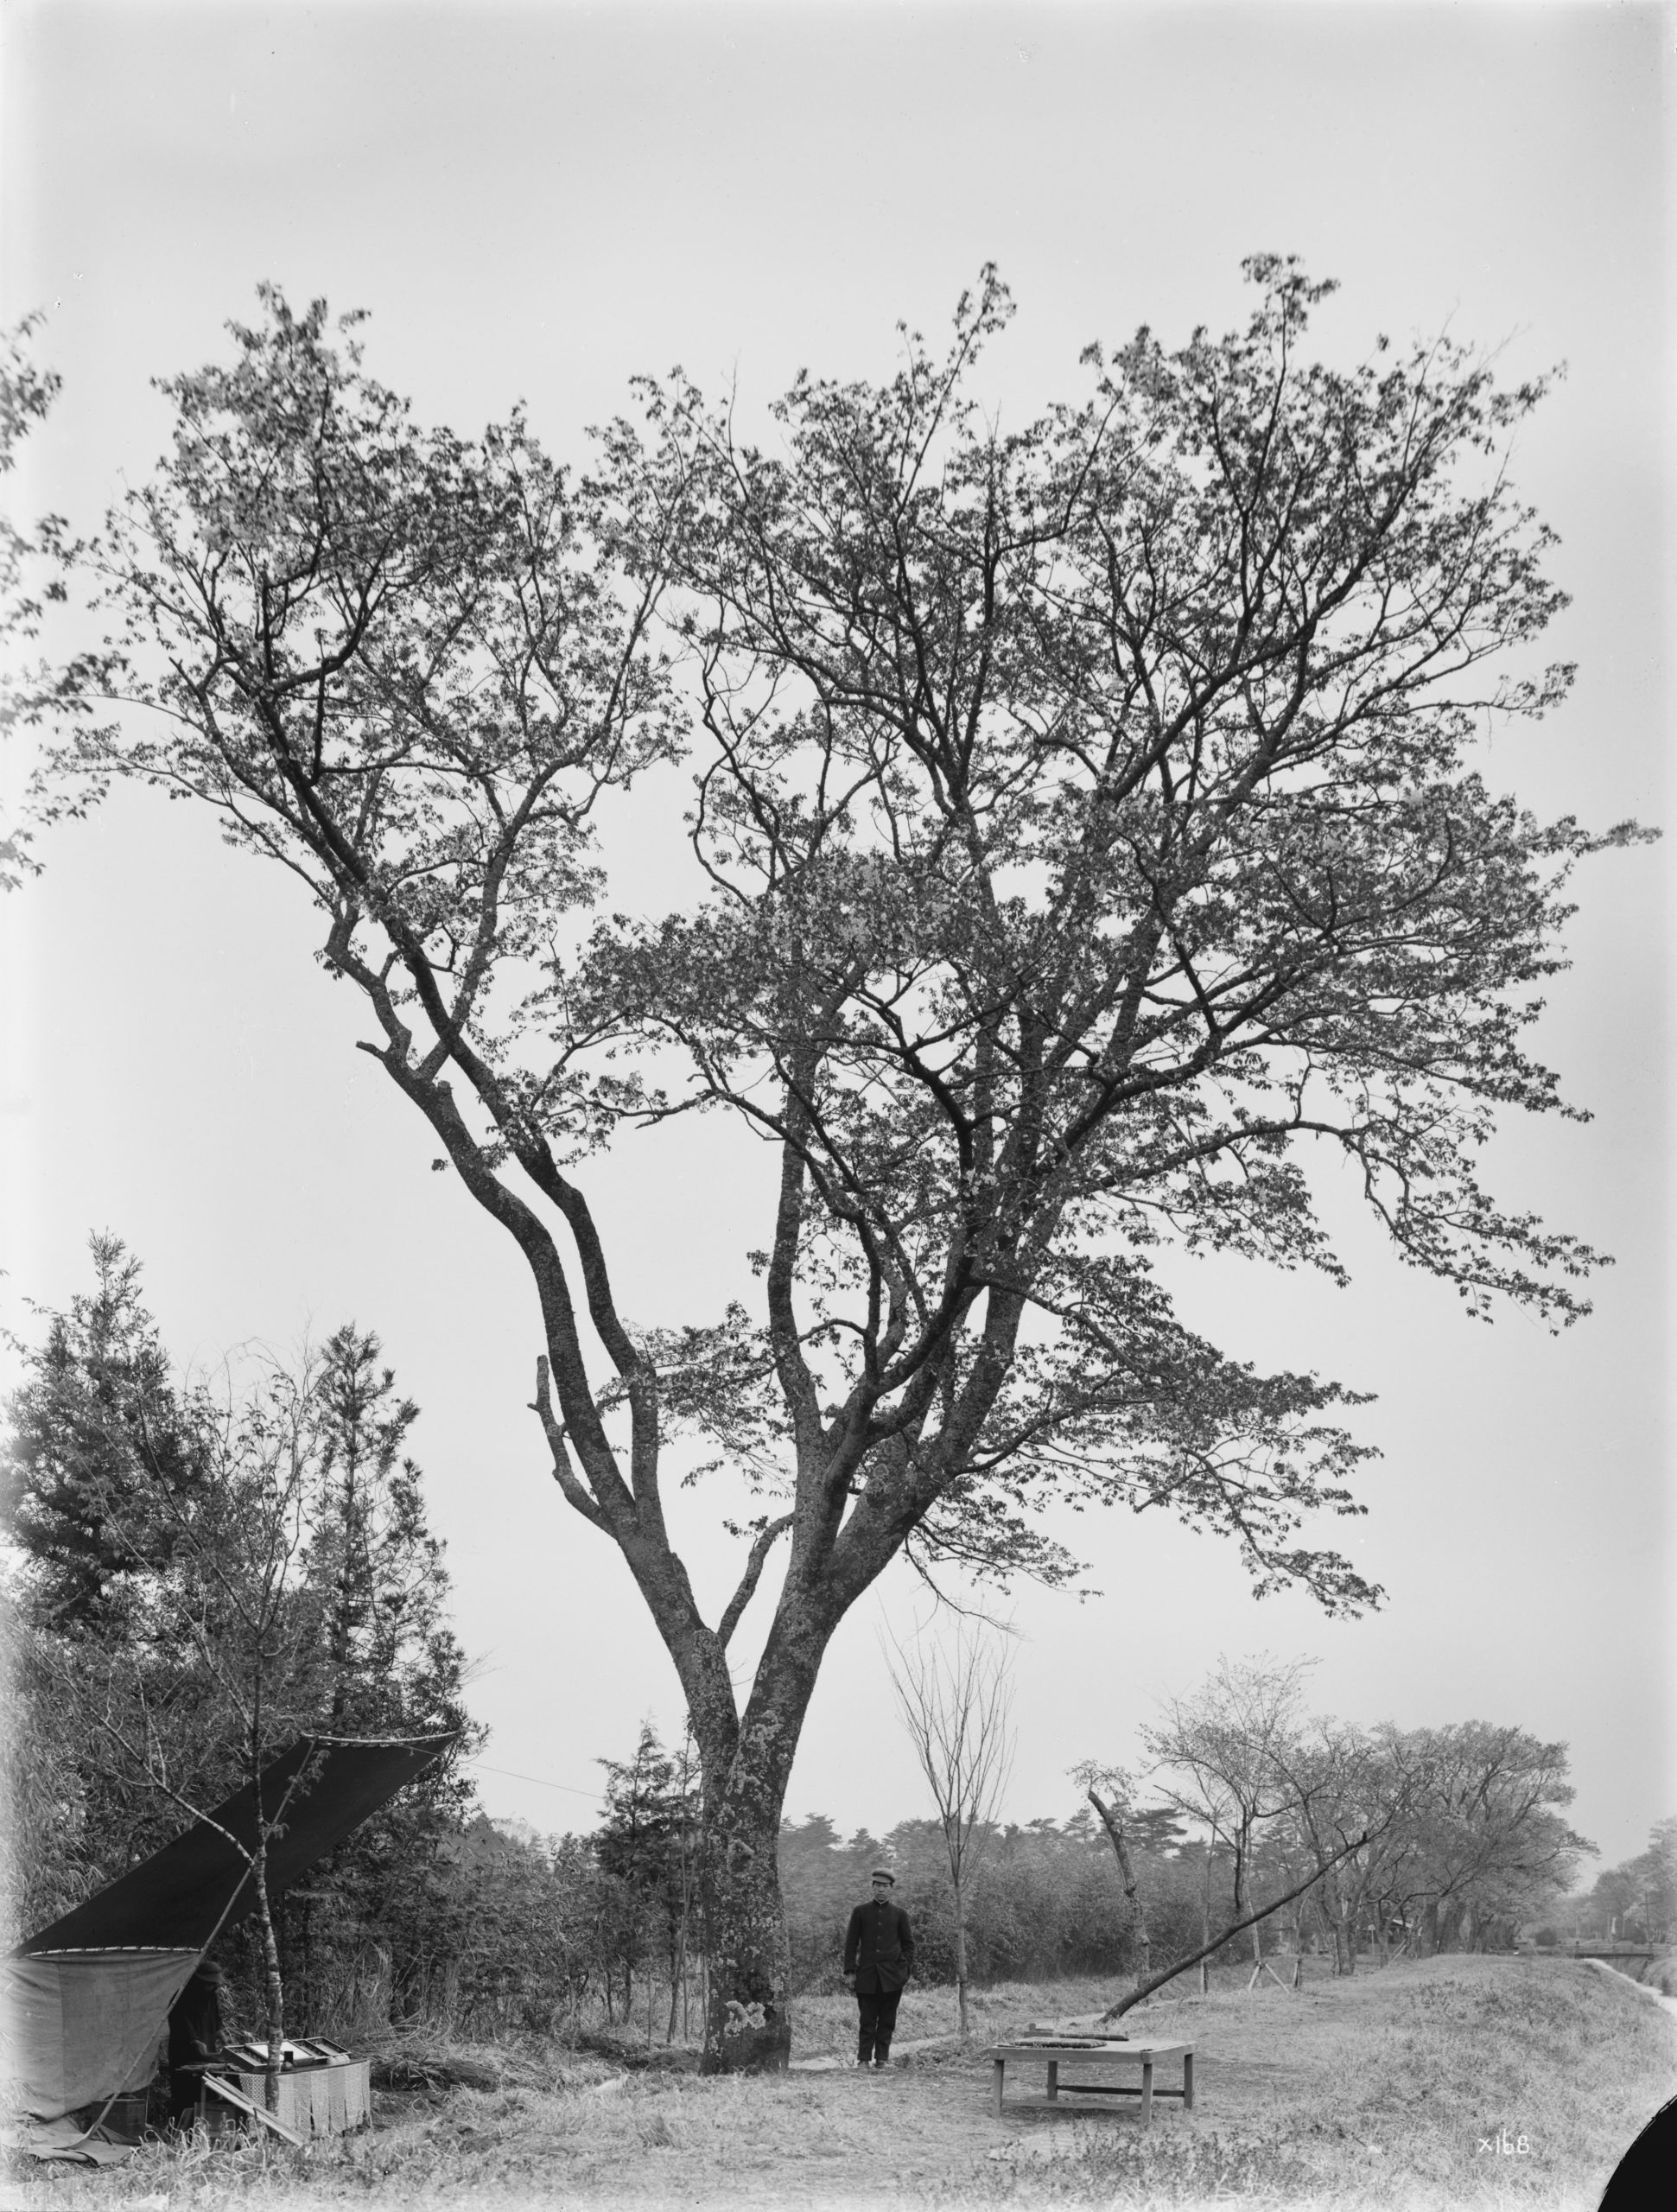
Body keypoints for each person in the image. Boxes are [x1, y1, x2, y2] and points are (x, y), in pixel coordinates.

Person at [842, 1867, 915, 2069]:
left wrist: (902, 1969)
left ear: (891, 1889)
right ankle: (864, 2059)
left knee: (887, 2020)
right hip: (866, 1976)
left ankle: (882, 2059)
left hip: (892, 1978)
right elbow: (851, 1943)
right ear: (872, 1887)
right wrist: (850, 1971)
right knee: (866, 2020)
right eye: (878, 1886)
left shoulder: (900, 1914)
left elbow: (909, 1945)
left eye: (885, 1886)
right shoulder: (860, 1912)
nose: (881, 1890)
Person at [166, 1960, 228, 2125]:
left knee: (209, 2090)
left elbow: (216, 2017)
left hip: (207, 2049)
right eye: (210, 1984)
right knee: (186, 2093)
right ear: (200, 1981)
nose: (213, 1987)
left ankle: (207, 2127)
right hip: (184, 2052)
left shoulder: (211, 1994)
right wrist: (193, 2040)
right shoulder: (181, 1995)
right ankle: (182, 2130)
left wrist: (220, 2032)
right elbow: (179, 2020)